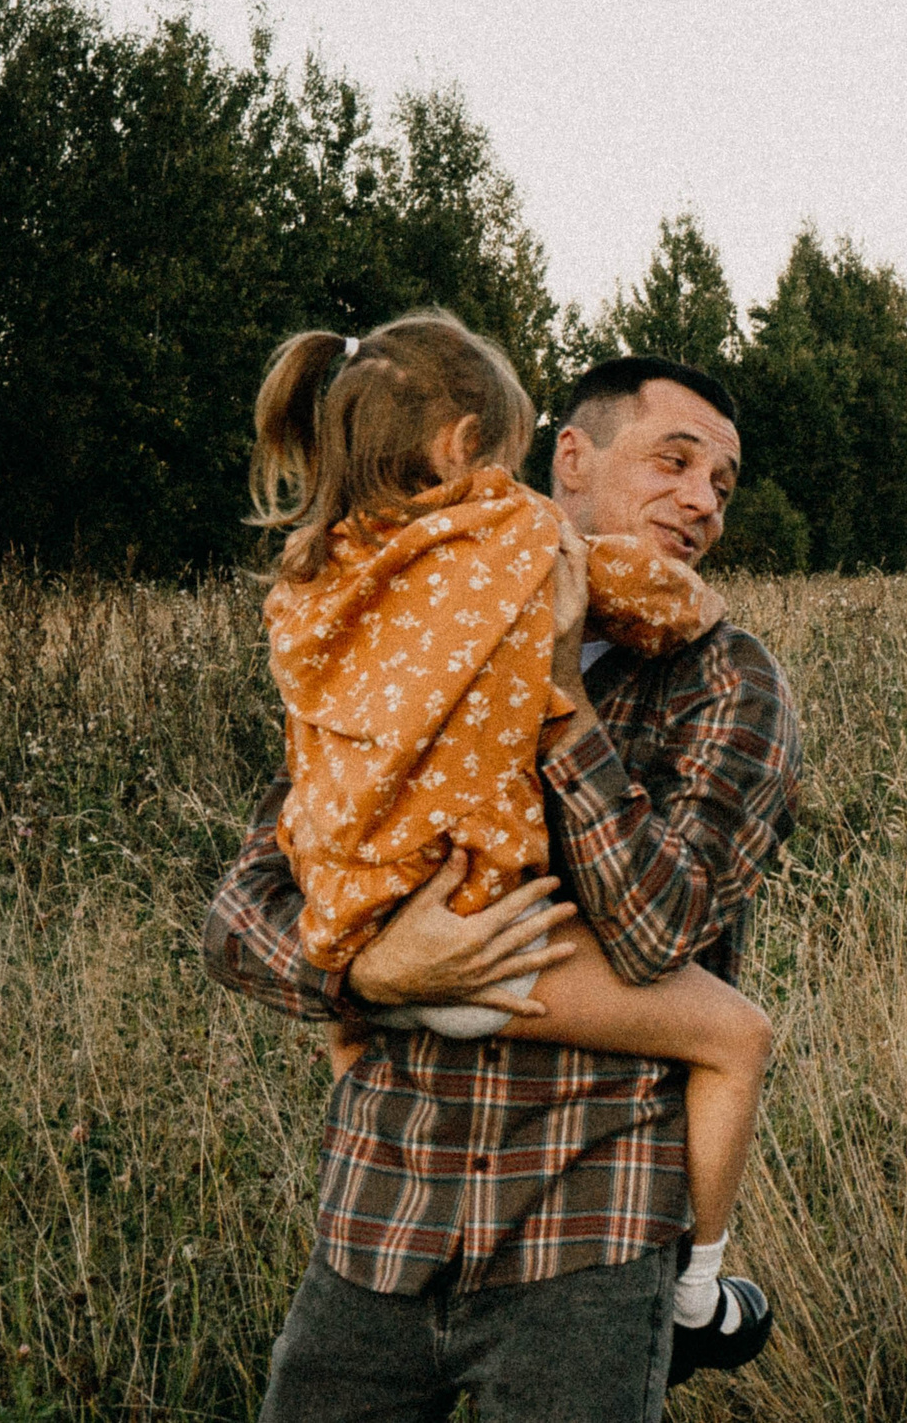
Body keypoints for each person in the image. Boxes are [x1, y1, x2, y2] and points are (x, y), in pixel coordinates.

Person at [205, 349, 800, 1420]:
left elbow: (664, 934)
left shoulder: (723, 674)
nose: (701, 502)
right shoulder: (428, 622)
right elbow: (246, 907)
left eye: (722, 483)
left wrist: (564, 694)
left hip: (588, 1245)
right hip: (377, 1228)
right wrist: (376, 969)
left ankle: (697, 1294)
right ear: (569, 457)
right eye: (674, 461)